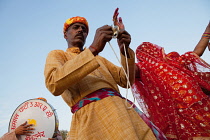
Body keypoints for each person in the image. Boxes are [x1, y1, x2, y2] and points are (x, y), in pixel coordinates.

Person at [44, 9, 166, 140]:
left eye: (84, 30)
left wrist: (124, 50)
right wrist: (93, 49)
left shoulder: (99, 59)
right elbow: (53, 83)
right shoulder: (58, 55)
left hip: (124, 114)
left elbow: (126, 80)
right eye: (75, 28)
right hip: (91, 119)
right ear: (65, 35)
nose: (80, 30)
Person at [133, 22, 210, 140]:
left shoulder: (173, 61)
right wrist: (123, 47)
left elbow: (196, 53)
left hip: (201, 105)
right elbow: (129, 72)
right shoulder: (143, 69)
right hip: (179, 117)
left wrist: (208, 29)